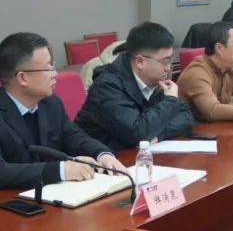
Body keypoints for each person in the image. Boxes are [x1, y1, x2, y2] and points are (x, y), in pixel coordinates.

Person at [0, 32, 123, 198]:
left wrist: (102, 154)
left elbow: (74, 137)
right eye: (48, 68)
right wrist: (61, 170)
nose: (55, 74)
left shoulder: (50, 104)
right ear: (22, 78)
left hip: (43, 196)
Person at [77, 22, 193, 152]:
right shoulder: (107, 86)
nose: (168, 68)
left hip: (137, 155)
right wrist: (170, 101)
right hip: (101, 158)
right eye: (165, 61)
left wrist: (159, 134)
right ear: (140, 62)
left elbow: (186, 116)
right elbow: (138, 132)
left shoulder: (156, 81)